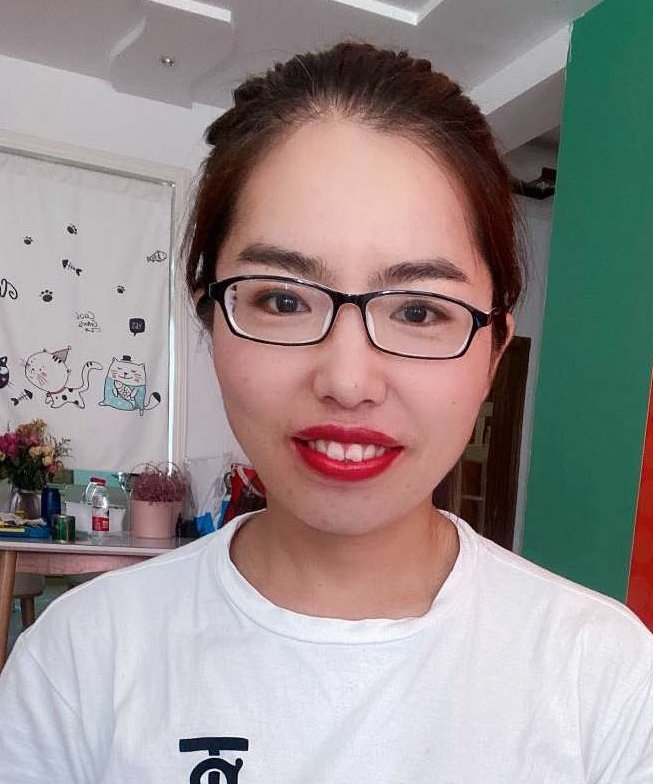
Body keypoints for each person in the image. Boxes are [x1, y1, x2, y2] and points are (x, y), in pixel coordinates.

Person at [0, 42, 651, 783]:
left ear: (493, 351)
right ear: (211, 320)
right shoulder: (79, 664)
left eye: (418, 310)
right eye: (282, 299)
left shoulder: (605, 681)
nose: (347, 381)